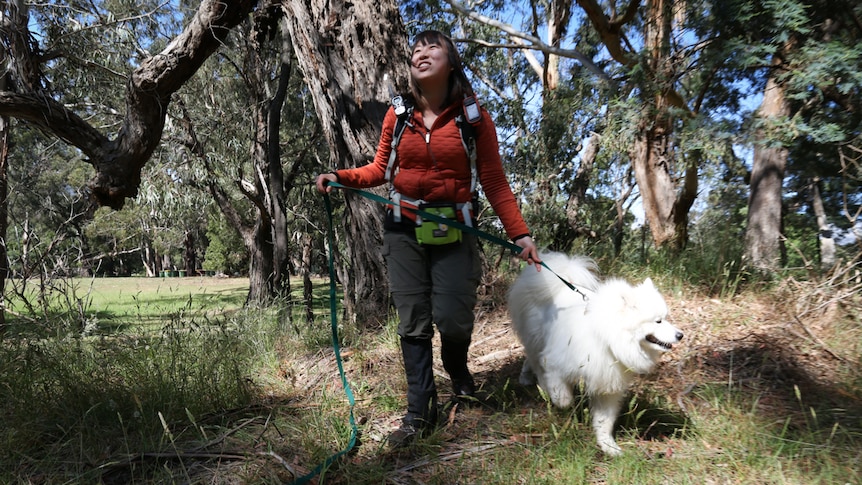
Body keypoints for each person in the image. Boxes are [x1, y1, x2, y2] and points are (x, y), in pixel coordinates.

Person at [316, 30, 540, 446]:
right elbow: (379, 170)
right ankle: (420, 410)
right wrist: (341, 176)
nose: (421, 53)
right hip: (403, 228)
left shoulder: (474, 118)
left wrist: (521, 235)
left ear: (451, 61)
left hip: (455, 228)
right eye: (416, 49)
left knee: (454, 315)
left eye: (431, 48)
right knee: (412, 319)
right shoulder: (398, 115)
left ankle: (457, 369)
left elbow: (494, 182)